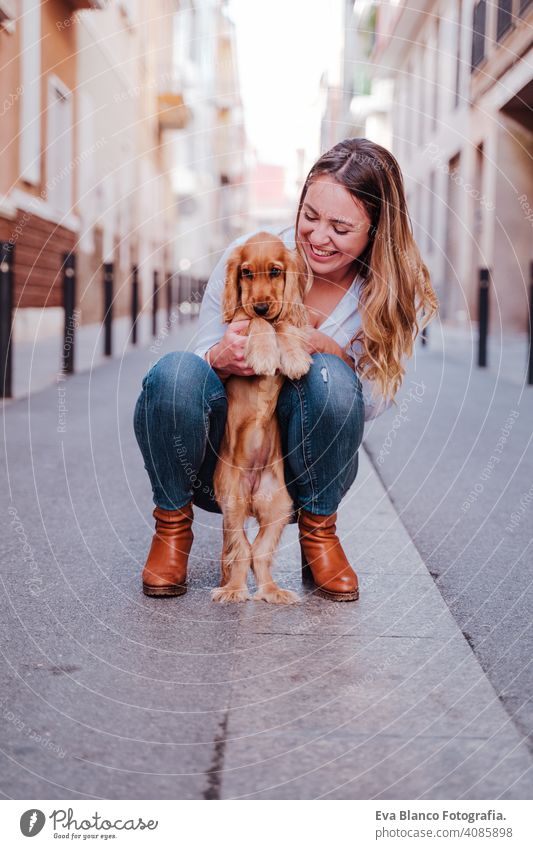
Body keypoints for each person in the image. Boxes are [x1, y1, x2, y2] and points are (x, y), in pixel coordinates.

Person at [134, 137, 438, 601]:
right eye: (310, 216)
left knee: (335, 382)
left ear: (375, 230)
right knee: (174, 373)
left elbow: (371, 401)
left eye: (340, 227)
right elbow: (199, 360)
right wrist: (221, 356)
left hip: (301, 468)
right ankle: (172, 529)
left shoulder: (390, 293)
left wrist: (325, 348)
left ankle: (318, 534)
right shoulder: (252, 255)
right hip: (223, 458)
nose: (317, 237)